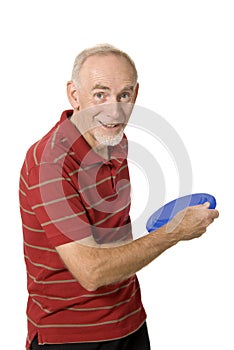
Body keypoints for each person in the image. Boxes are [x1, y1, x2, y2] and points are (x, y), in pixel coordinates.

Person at [19, 44, 219, 350]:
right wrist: (173, 231)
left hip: (130, 321)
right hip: (72, 337)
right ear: (75, 95)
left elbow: (111, 236)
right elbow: (91, 272)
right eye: (100, 94)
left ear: (135, 95)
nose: (114, 110)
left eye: (123, 95)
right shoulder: (50, 163)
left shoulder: (111, 138)